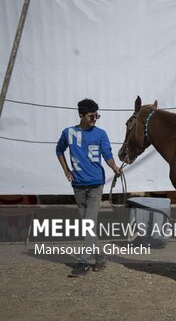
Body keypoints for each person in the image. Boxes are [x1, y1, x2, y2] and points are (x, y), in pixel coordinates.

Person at [56, 98, 122, 276]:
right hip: (77, 185)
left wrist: (114, 167)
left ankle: (84, 261)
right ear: (81, 115)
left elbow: (107, 154)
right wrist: (65, 169)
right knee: (88, 226)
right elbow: (59, 150)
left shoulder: (101, 134)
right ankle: (100, 257)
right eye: (92, 116)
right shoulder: (68, 133)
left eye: (97, 116)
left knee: (88, 224)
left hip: (95, 185)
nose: (95, 119)